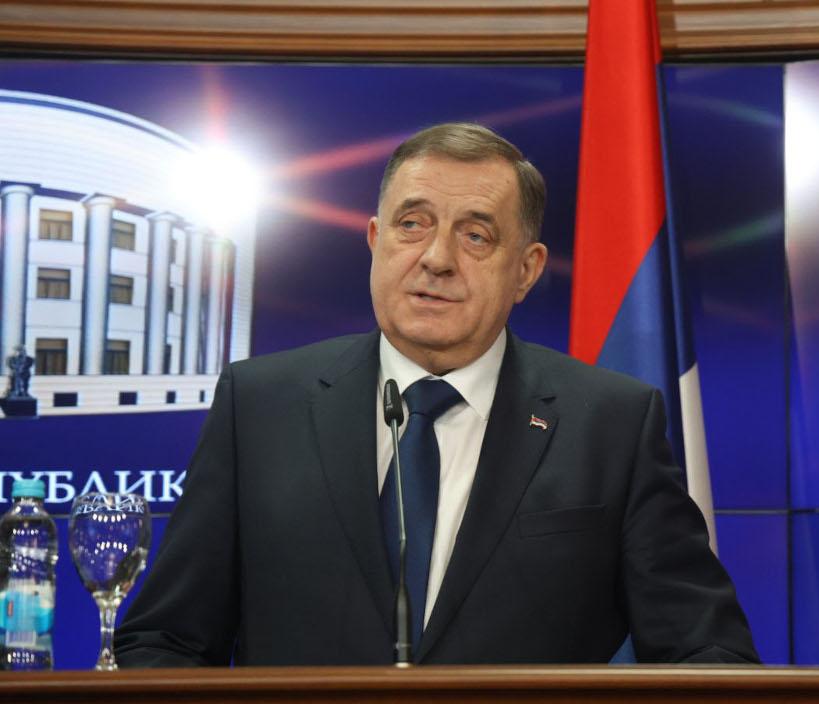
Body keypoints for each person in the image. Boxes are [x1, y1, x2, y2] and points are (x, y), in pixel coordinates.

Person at [115, 122, 757, 666]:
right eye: (412, 225)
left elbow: (708, 656)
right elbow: (166, 641)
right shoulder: (259, 406)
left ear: (526, 270)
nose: (436, 258)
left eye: (476, 235)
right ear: (375, 241)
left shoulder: (612, 424)